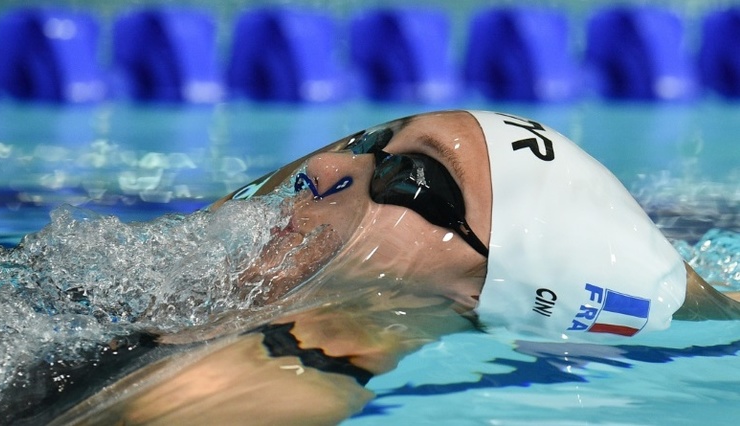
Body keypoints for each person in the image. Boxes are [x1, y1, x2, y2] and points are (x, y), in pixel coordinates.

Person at [47, 110, 740, 425]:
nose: (322, 168)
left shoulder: (270, 398)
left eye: (410, 179)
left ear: (482, 292)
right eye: (373, 141)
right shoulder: (219, 326)